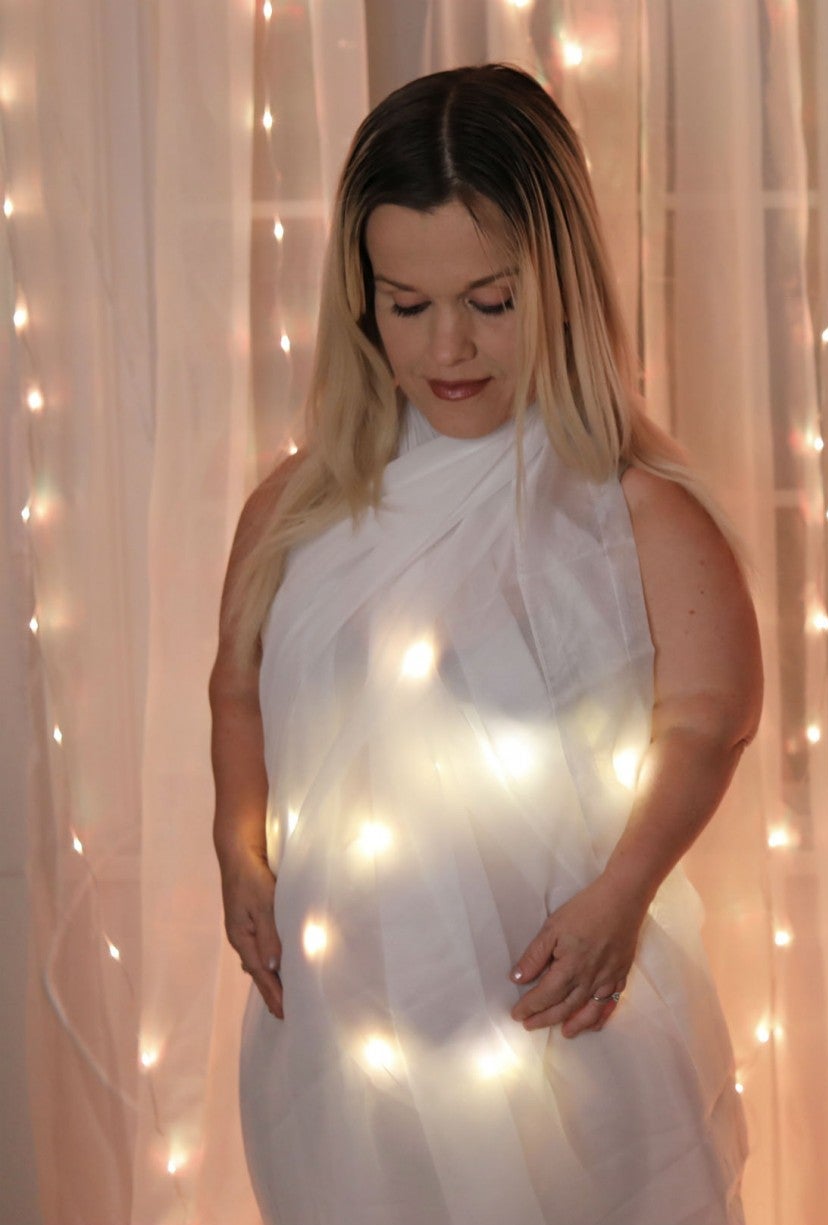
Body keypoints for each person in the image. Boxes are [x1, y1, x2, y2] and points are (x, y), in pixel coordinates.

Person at [210, 63, 762, 1225]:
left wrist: (622, 893)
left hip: (563, 1033)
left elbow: (710, 718)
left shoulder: (632, 510)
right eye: (407, 305)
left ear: (559, 283)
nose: (449, 345)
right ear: (360, 300)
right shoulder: (297, 511)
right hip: (350, 1054)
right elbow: (237, 691)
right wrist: (238, 846)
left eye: (491, 301)